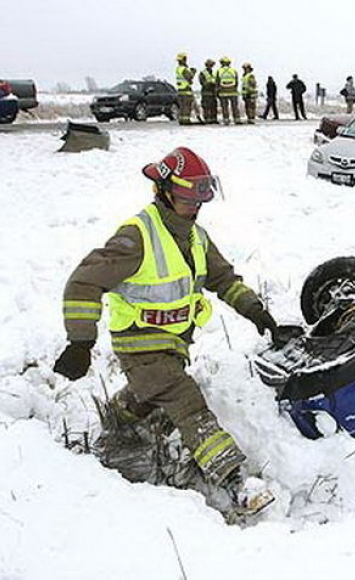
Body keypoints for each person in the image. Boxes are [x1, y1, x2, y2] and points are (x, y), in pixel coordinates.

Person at [53, 147, 282, 516]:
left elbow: (224, 279)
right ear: (163, 191)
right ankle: (236, 480)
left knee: (152, 394)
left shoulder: (197, 238)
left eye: (200, 198)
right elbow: (83, 282)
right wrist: (80, 342)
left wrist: (257, 312)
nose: (195, 206)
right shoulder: (136, 237)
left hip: (173, 344)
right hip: (139, 343)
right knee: (185, 400)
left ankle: (117, 418)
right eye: (188, 198)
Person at [216, 56, 240, 125]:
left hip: (223, 92)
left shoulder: (219, 71)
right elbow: (236, 81)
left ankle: (226, 119)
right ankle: (237, 119)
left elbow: (217, 82)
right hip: (233, 91)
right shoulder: (233, 71)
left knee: (224, 107)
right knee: (235, 106)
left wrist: (217, 91)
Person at [175, 53, 194, 125]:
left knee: (182, 106)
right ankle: (186, 120)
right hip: (186, 90)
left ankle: (181, 120)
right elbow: (189, 77)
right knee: (187, 106)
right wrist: (192, 72)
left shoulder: (178, 69)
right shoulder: (184, 69)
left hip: (180, 90)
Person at [199, 59, 218, 124]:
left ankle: (213, 119)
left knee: (214, 106)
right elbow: (202, 82)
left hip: (213, 93)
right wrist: (210, 83)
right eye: (210, 64)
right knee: (206, 106)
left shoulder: (214, 73)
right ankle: (207, 119)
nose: (211, 66)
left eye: (212, 65)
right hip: (206, 92)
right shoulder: (203, 73)